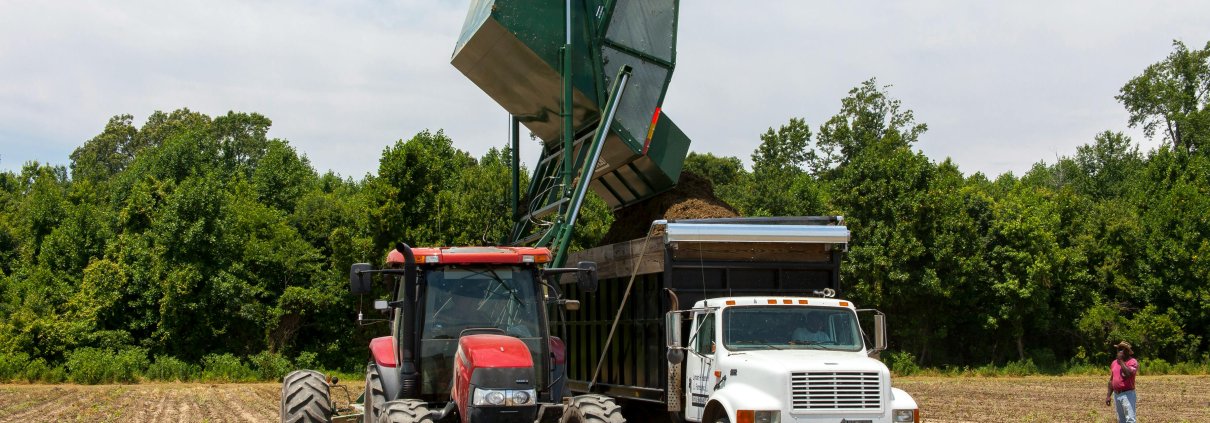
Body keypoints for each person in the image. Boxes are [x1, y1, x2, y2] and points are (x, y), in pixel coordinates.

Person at [1104, 341, 1139, 423]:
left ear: (1127, 352)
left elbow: (1128, 374)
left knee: (1130, 419)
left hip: (1128, 394)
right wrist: (1108, 395)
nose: (1120, 351)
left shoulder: (1132, 362)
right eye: (1119, 349)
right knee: (1121, 420)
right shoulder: (1114, 363)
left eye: (1123, 349)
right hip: (1117, 394)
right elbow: (1111, 380)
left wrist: (1121, 361)